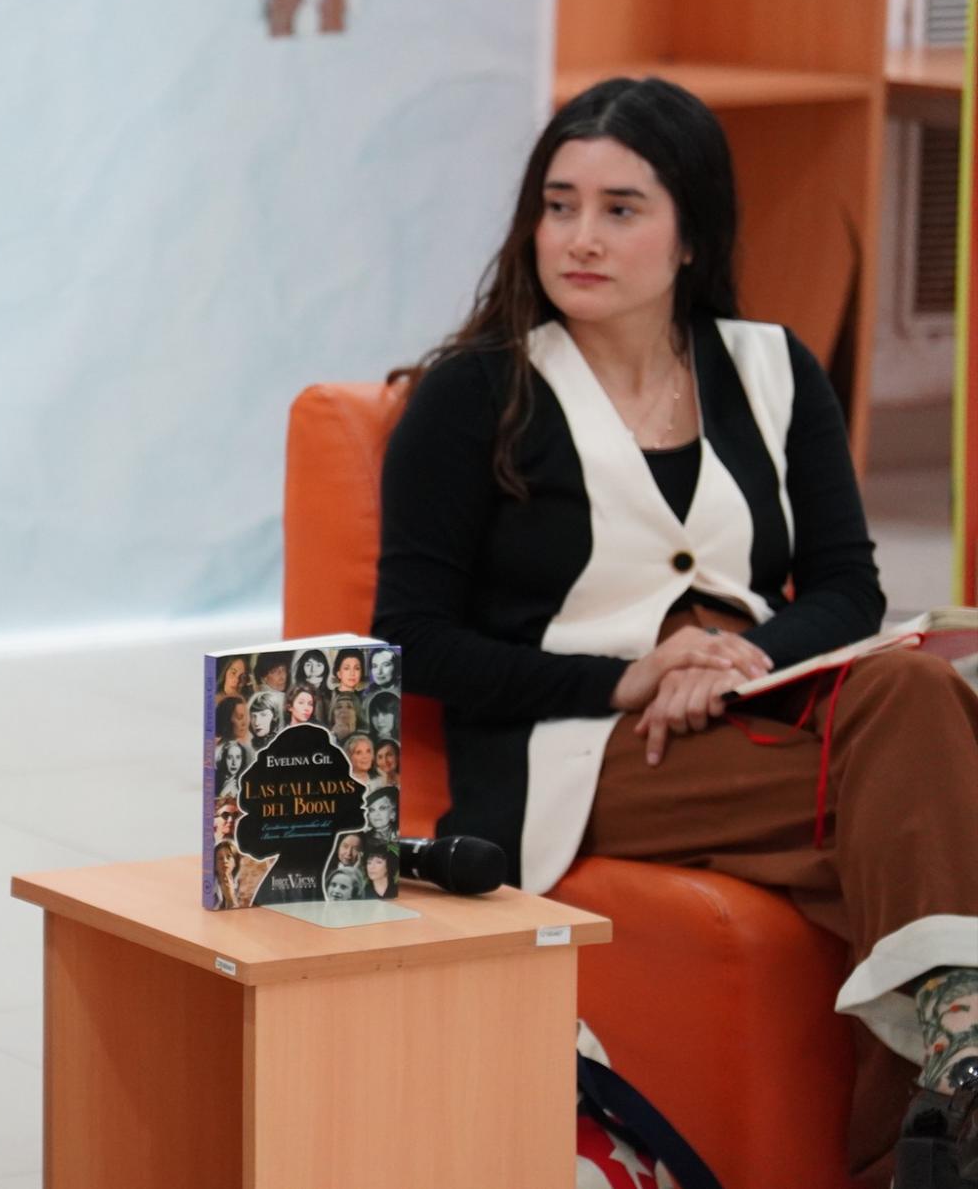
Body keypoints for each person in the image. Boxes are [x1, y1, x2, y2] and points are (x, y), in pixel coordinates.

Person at [372, 74, 978, 1176]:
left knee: (916, 689)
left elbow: (845, 587)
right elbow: (407, 639)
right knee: (930, 805)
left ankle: (941, 1102)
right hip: (584, 752)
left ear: (690, 232)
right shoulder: (473, 394)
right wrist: (627, 678)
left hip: (761, 711)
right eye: (556, 205)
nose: (576, 237)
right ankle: (934, 1110)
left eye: (618, 208)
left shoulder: (773, 369)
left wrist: (735, 657)